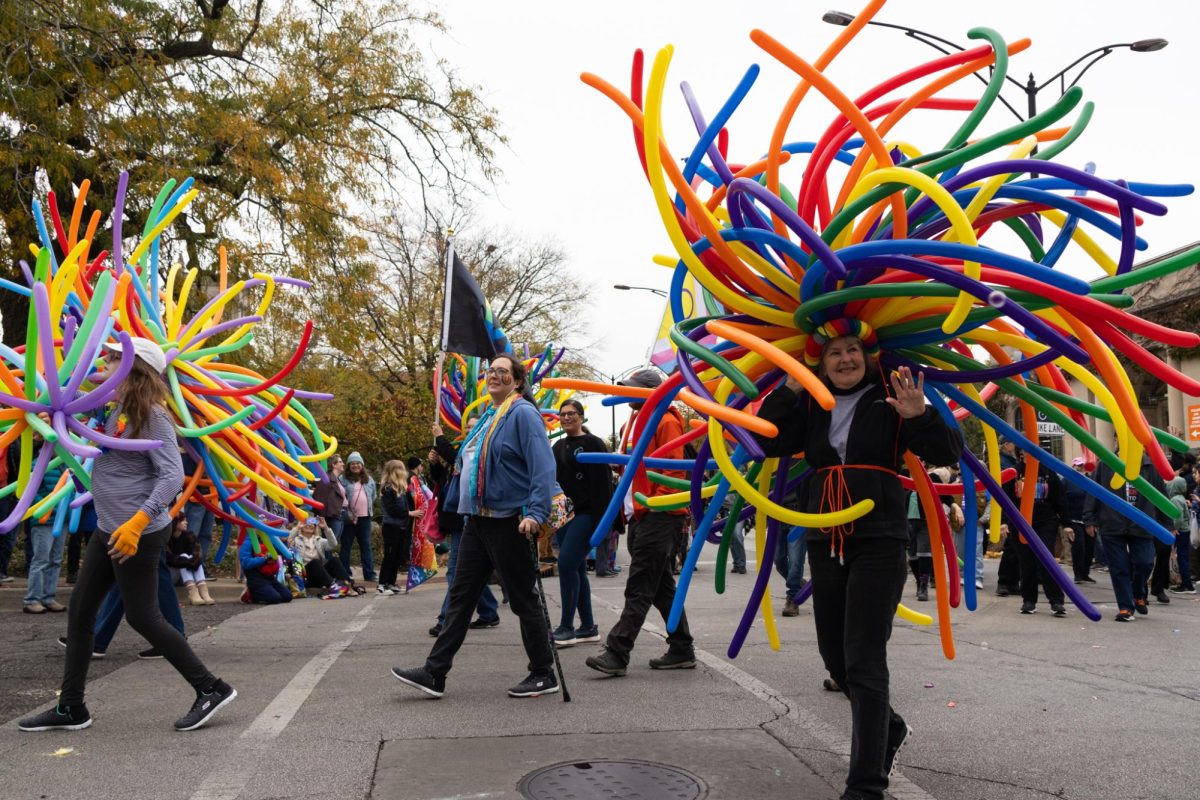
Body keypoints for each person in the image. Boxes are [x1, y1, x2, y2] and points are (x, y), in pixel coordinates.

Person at [751, 329, 962, 800]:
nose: (845, 359)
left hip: (879, 539)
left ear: (868, 357)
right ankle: (889, 728)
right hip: (825, 535)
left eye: (852, 351)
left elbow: (948, 451)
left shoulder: (892, 397)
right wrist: (789, 388)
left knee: (865, 659)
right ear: (819, 363)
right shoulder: (810, 405)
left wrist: (919, 416)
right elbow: (764, 441)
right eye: (833, 353)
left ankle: (866, 785)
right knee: (836, 659)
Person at [20, 336, 235, 733]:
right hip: (108, 528)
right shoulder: (113, 407)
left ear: (133, 369)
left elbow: (172, 474)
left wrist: (139, 521)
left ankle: (211, 688)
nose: (106, 360)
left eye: (115, 357)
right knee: (82, 612)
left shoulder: (153, 413)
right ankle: (71, 708)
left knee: (143, 616)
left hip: (137, 532)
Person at [391, 353, 559, 699]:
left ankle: (544, 672)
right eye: (491, 371)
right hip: (477, 522)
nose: (494, 376)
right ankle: (435, 673)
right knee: (460, 597)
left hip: (509, 522)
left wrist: (536, 513)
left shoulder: (523, 414)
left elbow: (542, 467)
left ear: (517, 380)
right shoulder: (488, 418)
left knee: (523, 599)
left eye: (502, 371)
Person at [585, 368, 696, 677]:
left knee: (640, 586)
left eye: (634, 389)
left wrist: (654, 503)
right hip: (641, 515)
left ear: (652, 392)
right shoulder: (631, 422)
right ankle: (682, 647)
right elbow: (636, 467)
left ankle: (618, 652)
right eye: (626, 388)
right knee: (661, 589)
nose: (628, 393)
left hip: (659, 515)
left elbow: (672, 471)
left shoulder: (666, 420)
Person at [428, 419, 500, 637]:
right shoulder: (464, 449)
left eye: (474, 427)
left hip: (472, 517)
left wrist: (440, 437)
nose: (470, 430)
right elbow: (448, 482)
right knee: (468, 571)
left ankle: (446, 620)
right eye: (467, 427)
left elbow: (456, 458)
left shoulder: (481, 449)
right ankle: (488, 611)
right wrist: (435, 465)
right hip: (457, 519)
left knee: (456, 572)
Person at [550, 399, 611, 647]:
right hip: (565, 514)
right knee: (574, 567)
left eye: (571, 413)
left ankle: (567, 627)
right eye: (562, 414)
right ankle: (588, 626)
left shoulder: (594, 443)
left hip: (588, 514)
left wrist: (605, 521)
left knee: (565, 564)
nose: (566, 418)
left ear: (582, 416)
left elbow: (604, 484)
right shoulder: (557, 446)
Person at [1085, 452, 1167, 622]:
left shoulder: (1149, 466)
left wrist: (1168, 524)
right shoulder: (1106, 463)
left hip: (1142, 523)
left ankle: (1138, 593)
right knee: (1119, 567)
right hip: (1112, 522)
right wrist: (1089, 519)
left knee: (1144, 562)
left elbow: (1161, 495)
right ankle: (1125, 607)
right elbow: (1094, 490)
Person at [1012, 469, 1072, 617]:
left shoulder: (1048, 472)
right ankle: (1029, 600)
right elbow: (1006, 498)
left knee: (1047, 560)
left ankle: (1056, 601)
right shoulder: (1015, 471)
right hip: (1021, 522)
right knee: (1027, 562)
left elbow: (1060, 498)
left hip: (1046, 521)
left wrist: (1066, 523)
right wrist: (1004, 522)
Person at [22, 444, 66, 614]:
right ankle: (32, 600)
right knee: (41, 560)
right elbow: (31, 493)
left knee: (55, 560)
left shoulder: (66, 464)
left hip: (62, 519)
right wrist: (49, 507)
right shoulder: (36, 464)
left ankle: (48, 597)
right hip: (43, 520)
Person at [379, 459, 423, 595]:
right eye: (400, 469)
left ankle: (391, 582)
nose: (403, 472)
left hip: (401, 526)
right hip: (391, 526)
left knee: (397, 556)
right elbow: (393, 510)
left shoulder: (401, 489)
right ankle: (382, 584)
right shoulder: (387, 489)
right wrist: (410, 513)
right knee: (390, 555)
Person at [287, 516, 355, 598]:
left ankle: (347, 586)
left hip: (320, 574)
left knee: (334, 560)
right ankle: (333, 587)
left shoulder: (319, 540)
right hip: (305, 576)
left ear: (315, 527)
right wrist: (297, 527)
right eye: (306, 523)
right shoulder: (296, 540)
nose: (309, 525)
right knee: (315, 562)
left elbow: (333, 544)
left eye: (312, 524)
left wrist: (326, 528)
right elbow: (287, 540)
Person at [339, 451, 377, 583]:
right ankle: (345, 573)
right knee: (346, 546)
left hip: (365, 518)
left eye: (358, 463)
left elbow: (373, 496)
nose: (355, 465)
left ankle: (369, 573)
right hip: (349, 519)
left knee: (366, 546)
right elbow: (340, 497)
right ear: (349, 465)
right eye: (352, 463)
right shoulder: (343, 480)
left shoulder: (369, 480)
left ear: (362, 465)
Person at [994, 437, 1022, 597]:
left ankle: (1013, 582)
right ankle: (1004, 582)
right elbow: (1005, 494)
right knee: (1011, 547)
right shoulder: (1006, 465)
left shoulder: (1012, 462)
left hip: (1021, 511)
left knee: (1020, 550)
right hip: (1012, 511)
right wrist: (1003, 521)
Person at [166, 515, 214, 605]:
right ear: (174, 523)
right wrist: (188, 561)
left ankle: (203, 589)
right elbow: (168, 559)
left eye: (186, 520)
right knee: (184, 556)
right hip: (171, 575)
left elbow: (198, 555)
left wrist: (189, 561)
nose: (186, 522)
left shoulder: (190, 536)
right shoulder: (166, 538)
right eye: (182, 520)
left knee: (191, 557)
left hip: (186, 575)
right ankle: (192, 592)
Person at [1064, 458, 1094, 585]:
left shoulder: (1090, 481)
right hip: (1073, 519)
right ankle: (1078, 574)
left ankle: (1085, 573)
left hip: (1088, 519)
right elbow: (1062, 499)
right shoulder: (1066, 481)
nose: (1079, 468)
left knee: (1090, 547)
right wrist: (1065, 521)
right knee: (1079, 545)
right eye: (1076, 466)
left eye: (1081, 466)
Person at [239, 532, 293, 604]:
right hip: (255, 578)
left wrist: (284, 541)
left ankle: (267, 591)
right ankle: (251, 594)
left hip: (270, 577)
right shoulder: (247, 541)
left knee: (287, 596)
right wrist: (264, 558)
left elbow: (282, 552)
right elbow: (245, 563)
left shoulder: (269, 538)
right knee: (274, 598)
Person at [1166, 477, 1194, 594]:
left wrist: (1174, 529)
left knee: (1182, 557)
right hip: (1185, 530)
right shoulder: (1181, 498)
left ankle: (1186, 585)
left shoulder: (1175, 500)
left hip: (1180, 531)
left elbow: (1178, 517)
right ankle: (1187, 584)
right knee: (1184, 557)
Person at [311, 454, 347, 539]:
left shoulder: (337, 479)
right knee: (330, 543)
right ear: (334, 465)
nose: (343, 464)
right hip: (333, 516)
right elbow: (319, 498)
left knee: (333, 543)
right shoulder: (327, 479)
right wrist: (320, 517)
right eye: (340, 462)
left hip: (340, 514)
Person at [65, 503, 97, 584]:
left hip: (92, 516)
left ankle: (92, 573)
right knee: (75, 544)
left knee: (92, 546)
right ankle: (72, 573)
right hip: (77, 515)